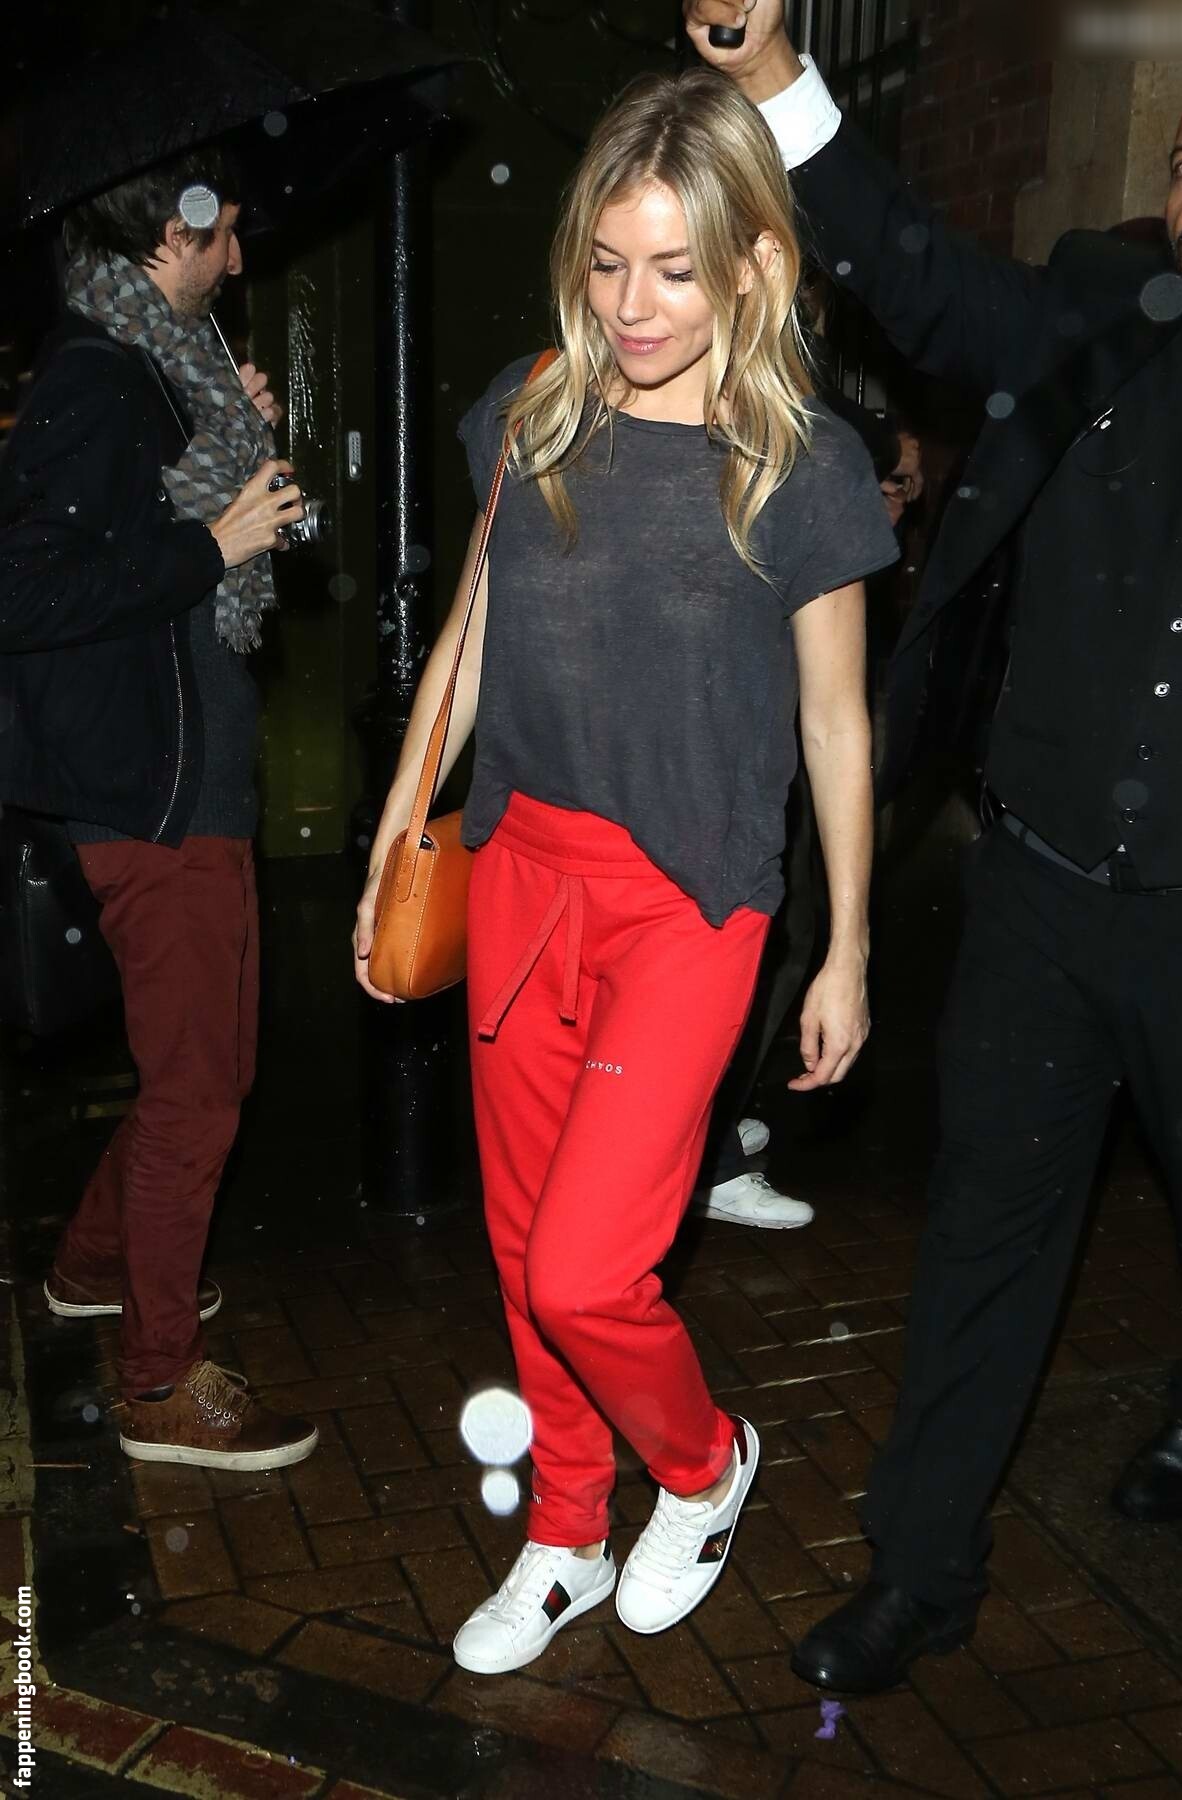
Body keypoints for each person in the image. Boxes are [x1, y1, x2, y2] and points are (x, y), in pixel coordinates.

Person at [690, 0, 1182, 1694]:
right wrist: (773, 77)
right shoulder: (1098, 314)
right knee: (986, 1245)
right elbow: (917, 277)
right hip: (1042, 904)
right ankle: (919, 1571)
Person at [354, 66, 896, 1674]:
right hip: (522, 870)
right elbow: (468, 640)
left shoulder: (803, 463)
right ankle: (565, 1531)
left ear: (753, 263)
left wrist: (847, 947)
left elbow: (836, 723)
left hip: (691, 900)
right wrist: (397, 830)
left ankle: (704, 1464)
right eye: (605, 263)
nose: (631, 305)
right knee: (524, 1249)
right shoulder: (533, 413)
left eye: (672, 268)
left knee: (590, 1266)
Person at [0, 148, 319, 1472]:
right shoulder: (96, 377)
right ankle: (155, 1382)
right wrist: (210, 543)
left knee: (204, 1076)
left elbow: (147, 530)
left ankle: (92, 1268)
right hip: (150, 796)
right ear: (177, 228)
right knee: (197, 1092)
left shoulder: (157, 375)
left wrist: (224, 431)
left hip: (190, 783)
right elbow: (24, 592)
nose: (239, 257)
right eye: (227, 231)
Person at [693, 392, 905, 1232]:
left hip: (768, 760)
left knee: (787, 935)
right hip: (715, 777)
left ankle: (708, 1131)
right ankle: (702, 1154)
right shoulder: (777, 441)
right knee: (754, 944)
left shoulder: (799, 447)